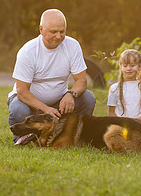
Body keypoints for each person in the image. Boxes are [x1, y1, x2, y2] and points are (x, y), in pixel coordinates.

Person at [7, 9, 96, 142]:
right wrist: (45, 109)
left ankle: (76, 137)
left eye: (62, 31)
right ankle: (22, 139)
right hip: (29, 103)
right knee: (19, 109)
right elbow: (22, 91)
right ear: (41, 29)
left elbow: (82, 80)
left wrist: (71, 94)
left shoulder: (73, 46)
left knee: (88, 98)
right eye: (53, 32)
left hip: (59, 101)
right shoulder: (28, 51)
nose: (59, 36)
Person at [107, 49, 141, 117]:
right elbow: (111, 113)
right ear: (121, 67)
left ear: (139, 66)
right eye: (125, 66)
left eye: (132, 65)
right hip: (122, 125)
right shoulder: (114, 88)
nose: (129, 68)